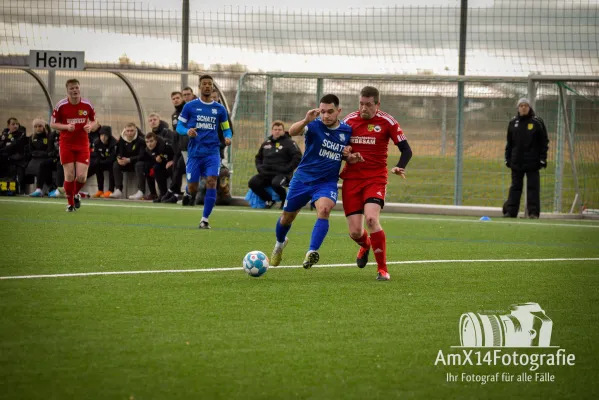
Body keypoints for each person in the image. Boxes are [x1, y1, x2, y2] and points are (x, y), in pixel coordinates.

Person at [270, 94, 363, 269]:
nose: (326, 116)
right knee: (286, 218)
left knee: (325, 209)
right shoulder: (313, 125)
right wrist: (306, 120)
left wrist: (351, 157)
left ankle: (311, 252)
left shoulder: (346, 131)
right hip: (302, 179)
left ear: (338, 111)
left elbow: (347, 154)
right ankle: (279, 244)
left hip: (326, 182)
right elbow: (292, 132)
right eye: (323, 112)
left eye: (330, 112)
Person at [341, 86, 413, 281]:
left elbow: (406, 150)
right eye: (361, 104)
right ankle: (365, 244)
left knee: (372, 220)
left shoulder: (387, 122)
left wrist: (400, 166)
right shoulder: (348, 121)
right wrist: (346, 155)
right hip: (352, 179)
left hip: (375, 178)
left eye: (368, 105)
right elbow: (337, 149)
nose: (364, 108)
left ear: (377, 104)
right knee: (356, 232)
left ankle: (382, 269)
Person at [176, 75, 233, 228]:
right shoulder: (190, 106)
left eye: (210, 84)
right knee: (193, 186)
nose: (207, 86)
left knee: (212, 181)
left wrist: (228, 138)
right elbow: (179, 127)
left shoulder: (220, 109)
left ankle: (205, 219)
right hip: (195, 153)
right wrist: (188, 131)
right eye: (204, 84)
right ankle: (188, 192)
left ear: (212, 87)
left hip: (212, 152)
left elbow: (227, 129)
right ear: (200, 87)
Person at [49, 79, 98, 212]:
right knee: (69, 175)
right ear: (67, 91)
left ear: (79, 88)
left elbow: (94, 121)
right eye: (72, 88)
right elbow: (52, 124)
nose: (75, 90)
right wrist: (66, 127)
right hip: (66, 144)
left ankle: (74, 194)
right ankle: (70, 204)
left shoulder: (87, 104)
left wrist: (90, 126)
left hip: (82, 144)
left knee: (82, 176)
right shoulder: (61, 105)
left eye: (76, 87)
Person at [503, 98, 549, 219]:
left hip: (533, 162)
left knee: (533, 188)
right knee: (515, 187)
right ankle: (511, 212)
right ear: (518, 108)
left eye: (526, 105)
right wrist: (507, 158)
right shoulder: (513, 123)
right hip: (516, 161)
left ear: (529, 107)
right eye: (521, 105)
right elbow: (509, 143)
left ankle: (533, 213)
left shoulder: (537, 122)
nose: (523, 107)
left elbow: (544, 142)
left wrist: (542, 159)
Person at [248, 120, 302, 209]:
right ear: (272, 130)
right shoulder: (266, 143)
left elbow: (298, 157)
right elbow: (258, 157)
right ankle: (268, 200)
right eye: (275, 129)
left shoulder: (289, 143)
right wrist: (260, 168)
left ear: (283, 131)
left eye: (280, 129)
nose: (277, 131)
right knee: (253, 183)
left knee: (276, 184)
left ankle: (284, 200)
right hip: (266, 173)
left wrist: (288, 169)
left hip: (282, 174)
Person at [110, 123, 146, 199]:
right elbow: (118, 152)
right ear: (125, 131)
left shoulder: (141, 140)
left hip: (136, 162)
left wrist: (129, 160)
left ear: (135, 130)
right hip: (125, 163)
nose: (129, 133)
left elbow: (142, 156)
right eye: (128, 131)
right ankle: (118, 190)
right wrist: (119, 158)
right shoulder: (121, 139)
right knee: (116, 164)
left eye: (132, 131)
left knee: (139, 165)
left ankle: (141, 191)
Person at [140, 131, 175, 201]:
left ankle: (175, 193)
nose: (149, 144)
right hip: (163, 165)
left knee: (172, 168)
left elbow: (178, 152)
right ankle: (163, 194)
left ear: (156, 140)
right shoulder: (148, 149)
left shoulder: (166, 145)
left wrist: (173, 161)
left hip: (174, 163)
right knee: (154, 168)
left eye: (151, 141)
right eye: (147, 142)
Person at [0, 117, 28, 193]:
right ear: (8, 125)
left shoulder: (21, 134)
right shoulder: (4, 134)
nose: (15, 126)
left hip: (17, 158)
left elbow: (13, 146)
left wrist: (5, 149)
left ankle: (13, 188)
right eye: (13, 124)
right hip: (5, 157)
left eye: (17, 124)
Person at [27, 118, 53, 196]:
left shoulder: (49, 136)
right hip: (34, 159)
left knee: (43, 165)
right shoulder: (32, 137)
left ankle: (47, 188)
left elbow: (49, 151)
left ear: (44, 127)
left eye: (40, 126)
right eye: (35, 126)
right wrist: (39, 153)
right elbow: (31, 151)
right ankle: (39, 189)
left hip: (46, 159)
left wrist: (38, 153)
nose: (38, 128)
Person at [91, 126, 117, 198]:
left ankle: (110, 190)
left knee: (113, 166)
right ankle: (100, 190)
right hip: (102, 162)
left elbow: (112, 158)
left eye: (105, 135)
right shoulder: (97, 142)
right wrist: (100, 162)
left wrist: (102, 161)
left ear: (109, 136)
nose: (103, 137)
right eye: (101, 135)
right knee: (96, 165)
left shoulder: (114, 143)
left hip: (111, 163)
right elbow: (96, 155)